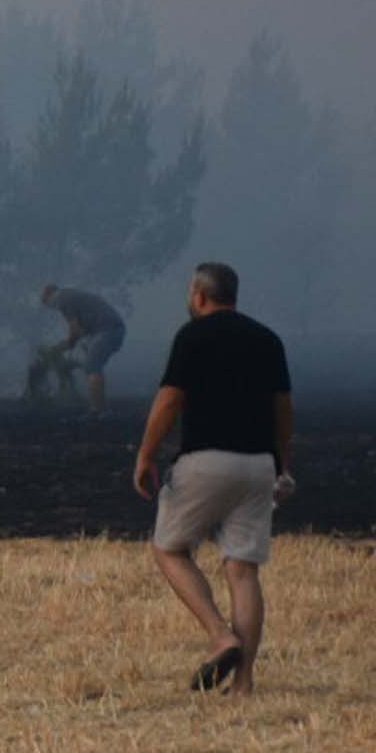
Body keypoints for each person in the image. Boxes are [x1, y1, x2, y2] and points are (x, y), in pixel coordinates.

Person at [134, 261, 294, 697]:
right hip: (259, 465)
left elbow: (170, 401)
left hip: (205, 461)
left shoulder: (192, 337)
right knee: (242, 571)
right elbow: (283, 409)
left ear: (200, 296)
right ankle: (243, 685)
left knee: (168, 548)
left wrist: (146, 455)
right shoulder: (267, 340)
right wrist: (281, 465)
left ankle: (220, 636)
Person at [41, 282, 127, 416]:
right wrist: (67, 344)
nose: (53, 309)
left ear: (50, 297)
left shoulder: (63, 299)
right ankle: (101, 407)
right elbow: (80, 331)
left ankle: (97, 410)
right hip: (106, 329)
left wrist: (63, 346)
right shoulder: (71, 296)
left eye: (49, 305)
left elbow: (75, 331)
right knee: (90, 361)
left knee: (92, 366)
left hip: (107, 329)